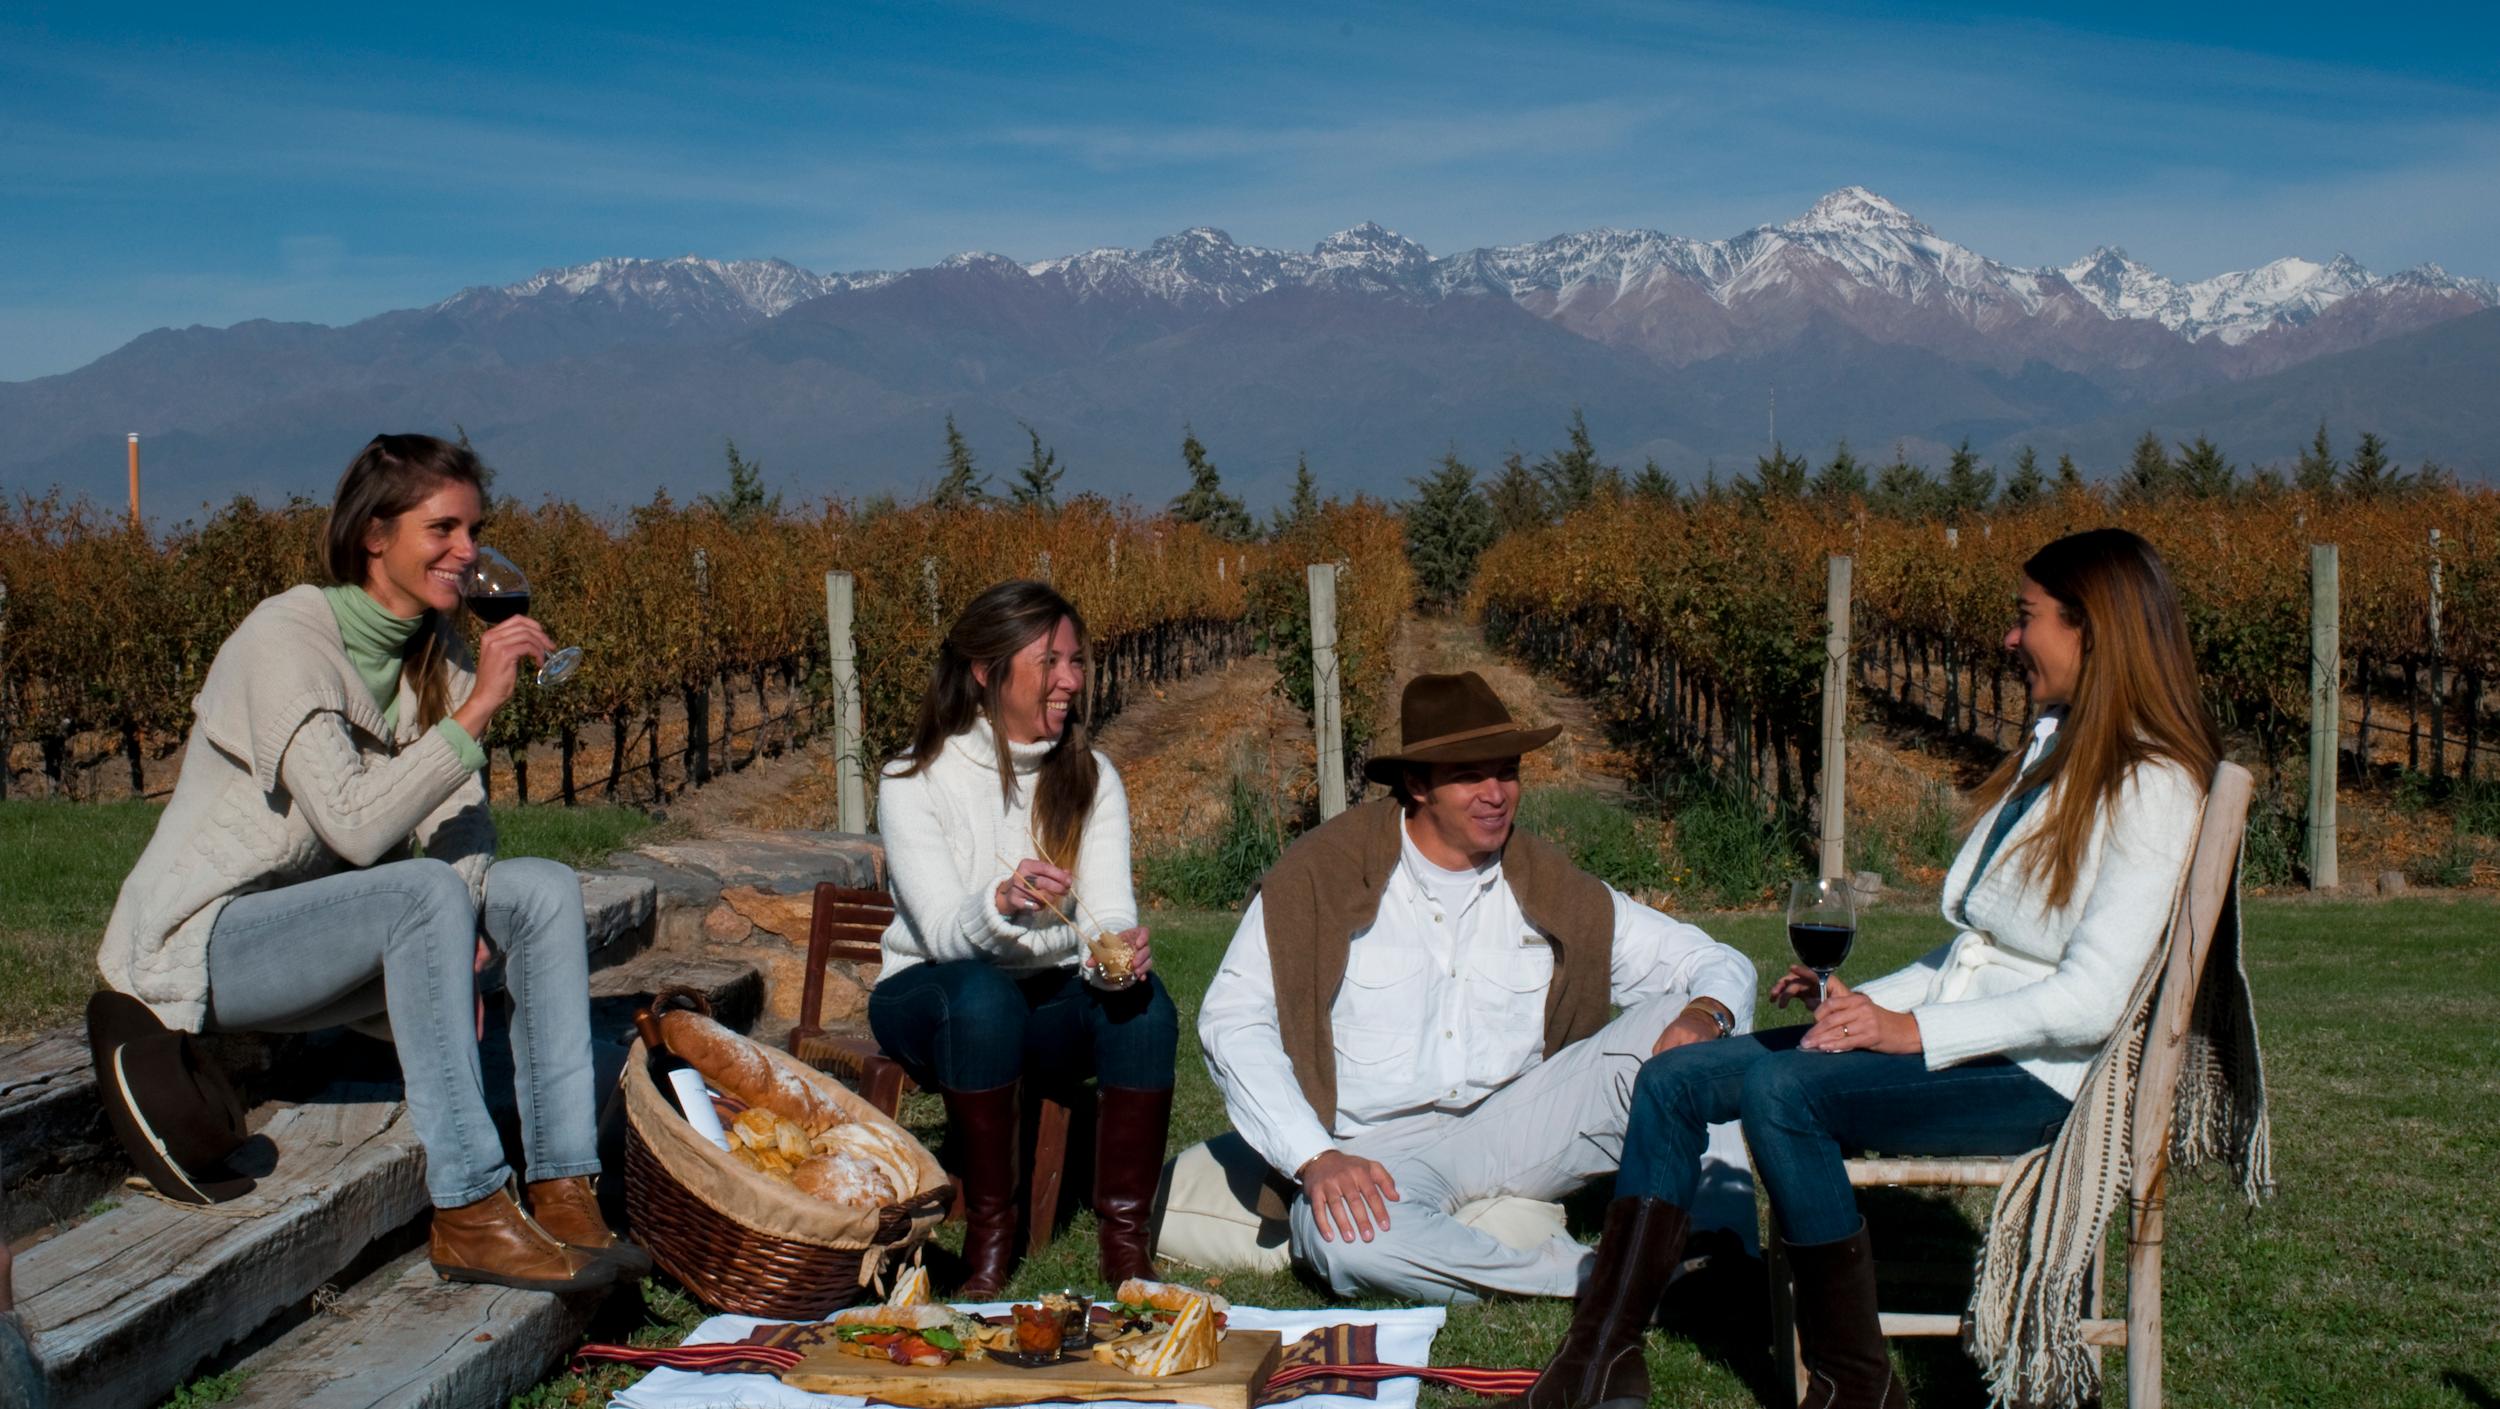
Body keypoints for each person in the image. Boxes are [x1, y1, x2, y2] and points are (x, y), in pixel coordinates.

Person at [1505, 527, 2222, 1409]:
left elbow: (2093, 999)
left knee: (1783, 1092)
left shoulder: (2154, 785)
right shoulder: (2058, 750)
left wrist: (1908, 1030)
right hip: (1966, 1044)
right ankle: (1602, 1357)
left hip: (2039, 1079)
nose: (2009, 639)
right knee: (1675, 1076)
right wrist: (1863, 1004)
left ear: (2093, 630)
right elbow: (1975, 954)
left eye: (2025, 618)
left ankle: (1853, 1385)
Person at [96, 433, 636, 1294]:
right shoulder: (285, 640)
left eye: (475, 530)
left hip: (338, 929)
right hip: (208, 939)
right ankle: (468, 1207)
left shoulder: (438, 650)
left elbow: (461, 825)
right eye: (443, 530)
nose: (468, 553)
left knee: (541, 888)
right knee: (420, 891)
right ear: (373, 537)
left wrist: (462, 917)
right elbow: (351, 827)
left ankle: (565, 1187)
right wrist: (483, 707)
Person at [1196, 671, 1757, 1305]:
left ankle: (1724, 1251)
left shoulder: (1549, 883)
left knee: (1707, 1044)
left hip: (1522, 1124)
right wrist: (1314, 1158)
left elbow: (1715, 961)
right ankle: (1596, 1278)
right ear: (1417, 784)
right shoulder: (1319, 877)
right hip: (1376, 1151)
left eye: (1508, 772)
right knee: (1343, 1243)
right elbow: (1232, 1021)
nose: (1496, 794)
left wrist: (1707, 1014)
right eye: (1470, 776)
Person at [868, 580, 1174, 1295]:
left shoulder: (1092, 777)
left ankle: (1126, 1248)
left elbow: (1103, 915)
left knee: (1146, 1005)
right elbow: (945, 932)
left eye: (1076, 660)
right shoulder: (911, 778)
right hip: (931, 999)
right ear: (986, 669)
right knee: (981, 996)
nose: (1071, 679)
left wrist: (1114, 958)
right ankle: (989, 1240)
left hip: (1041, 1002)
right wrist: (1001, 901)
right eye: (1050, 661)